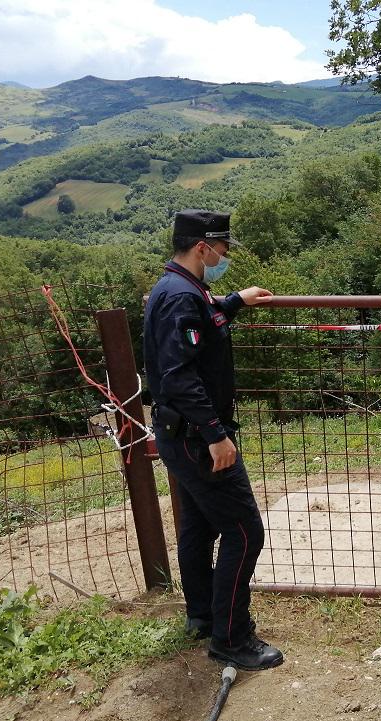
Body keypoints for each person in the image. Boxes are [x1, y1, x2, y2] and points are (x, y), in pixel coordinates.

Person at [143, 209, 283, 671]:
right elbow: (180, 375)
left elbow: (198, 330)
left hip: (178, 433)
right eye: (222, 249)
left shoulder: (178, 289)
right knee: (245, 532)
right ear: (203, 247)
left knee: (198, 528)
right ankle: (231, 637)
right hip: (197, 438)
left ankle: (202, 615)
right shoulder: (181, 298)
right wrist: (216, 435)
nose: (225, 256)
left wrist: (233, 301)